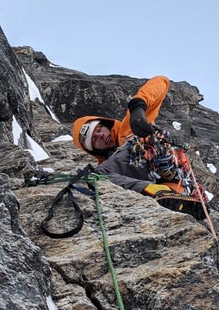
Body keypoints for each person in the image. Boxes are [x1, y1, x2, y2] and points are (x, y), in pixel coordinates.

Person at [72, 76, 204, 213]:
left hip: (161, 174)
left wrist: (138, 105)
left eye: (99, 130)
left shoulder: (129, 127)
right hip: (165, 188)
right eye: (94, 140)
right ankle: (169, 195)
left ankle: (163, 192)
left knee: (97, 175)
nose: (101, 136)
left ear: (106, 124)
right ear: (93, 150)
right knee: (98, 174)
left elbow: (161, 81)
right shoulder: (111, 168)